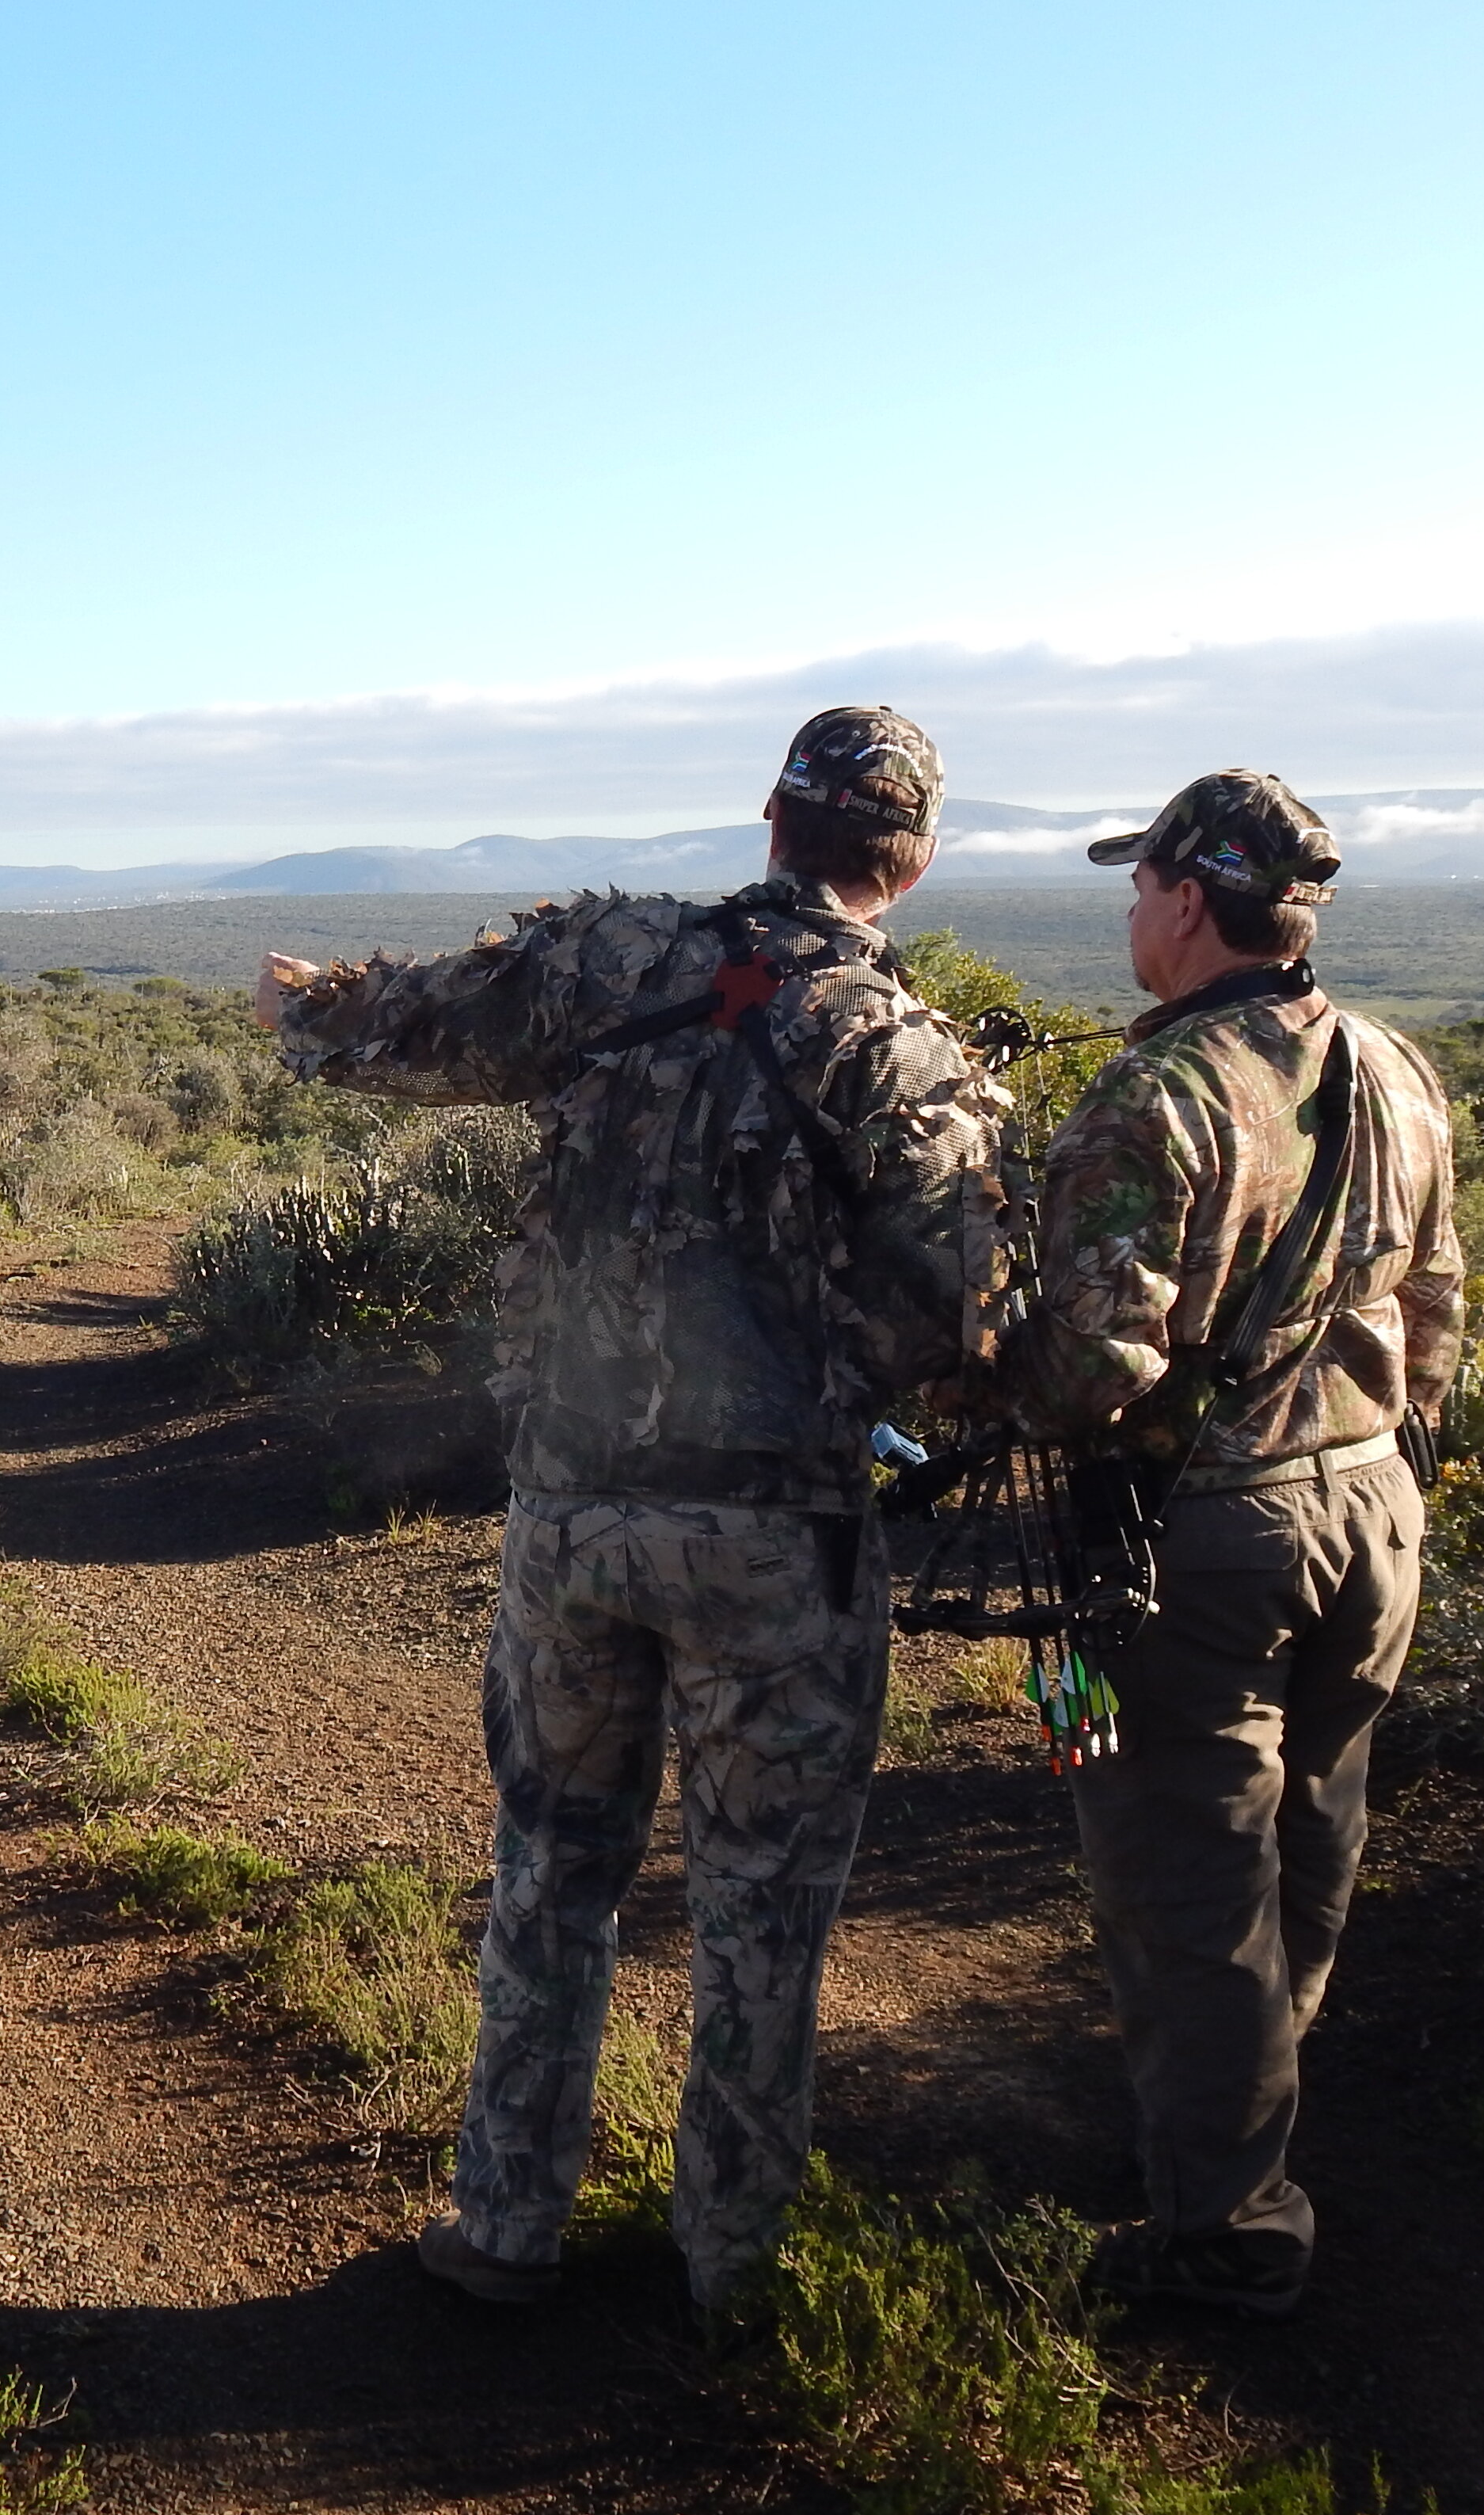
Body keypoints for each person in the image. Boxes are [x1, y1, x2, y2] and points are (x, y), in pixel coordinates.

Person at [253, 708, 1006, 2314]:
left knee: (553, 1870)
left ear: (769, 821)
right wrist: (840, 1367)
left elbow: (397, 1033)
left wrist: (307, 1004)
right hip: (778, 1543)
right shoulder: (899, 1046)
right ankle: (730, 2271)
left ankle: (508, 2227)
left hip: (573, 1516)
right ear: (915, 860)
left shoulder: (613, 959)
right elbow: (969, 1303)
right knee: (761, 1917)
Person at [1001, 768, 1461, 2319]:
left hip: (1201, 1538)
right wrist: (1400, 1472)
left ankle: (1228, 2232)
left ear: (1191, 904)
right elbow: (1437, 1298)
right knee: (1310, 1844)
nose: (1132, 910)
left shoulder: (1157, 1100)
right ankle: (1237, 2121)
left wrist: (969, 1372)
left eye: (1141, 886)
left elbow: (1084, 1378)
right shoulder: (1393, 1068)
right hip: (1373, 1506)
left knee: (1185, 1880)